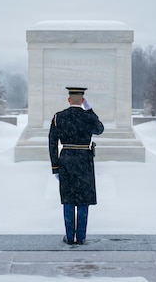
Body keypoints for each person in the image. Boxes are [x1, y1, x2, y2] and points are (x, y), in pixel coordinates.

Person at [48, 87, 104, 245]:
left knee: (68, 199)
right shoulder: (88, 117)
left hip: (66, 160)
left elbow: (52, 143)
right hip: (84, 161)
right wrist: (91, 111)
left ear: (68, 100)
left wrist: (55, 167)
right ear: (83, 101)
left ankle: (70, 236)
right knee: (83, 200)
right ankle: (81, 237)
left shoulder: (59, 117)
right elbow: (100, 129)